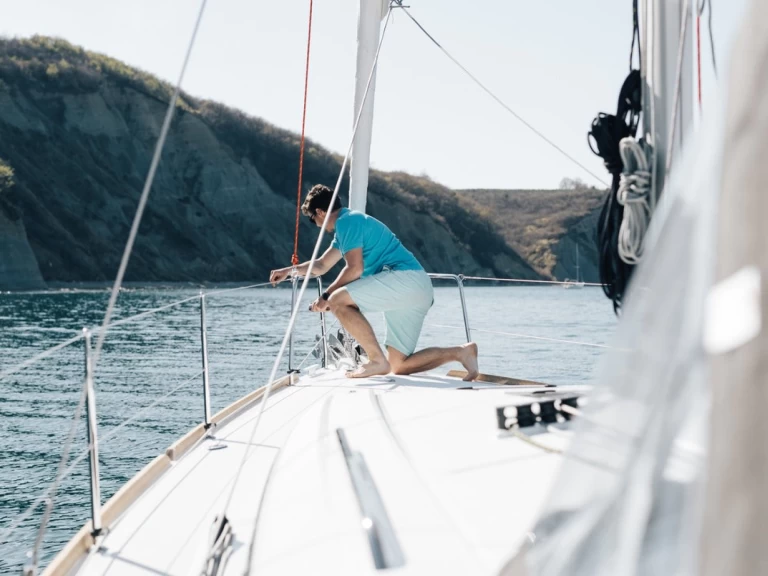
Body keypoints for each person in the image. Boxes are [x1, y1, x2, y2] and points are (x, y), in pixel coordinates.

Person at [270, 184, 479, 380]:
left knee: (337, 300)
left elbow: (355, 269)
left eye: (312, 218)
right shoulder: (348, 226)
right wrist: (289, 271)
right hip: (417, 288)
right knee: (399, 365)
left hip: (404, 280)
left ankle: (376, 360)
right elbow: (322, 265)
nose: (315, 223)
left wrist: (326, 296)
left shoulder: (347, 222)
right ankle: (461, 352)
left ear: (320, 212)